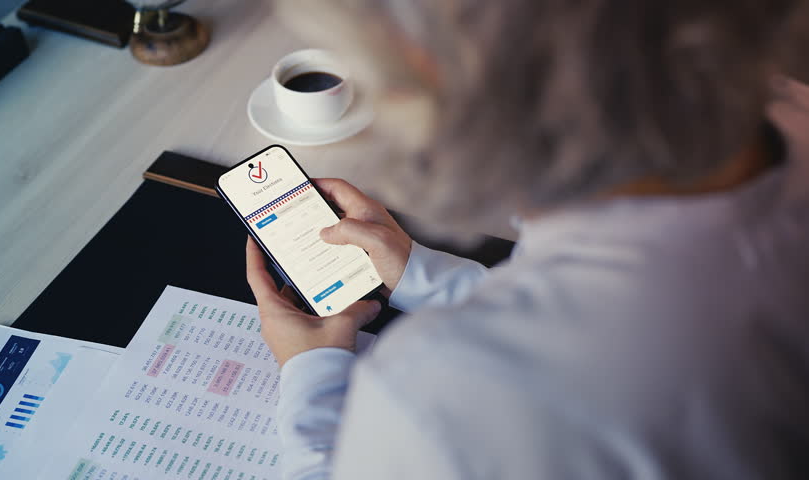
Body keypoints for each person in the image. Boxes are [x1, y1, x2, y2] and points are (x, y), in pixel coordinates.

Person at [247, 1, 809, 478]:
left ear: (428, 71)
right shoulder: (791, 114)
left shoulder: (430, 394)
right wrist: (417, 273)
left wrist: (311, 372)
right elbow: (601, 303)